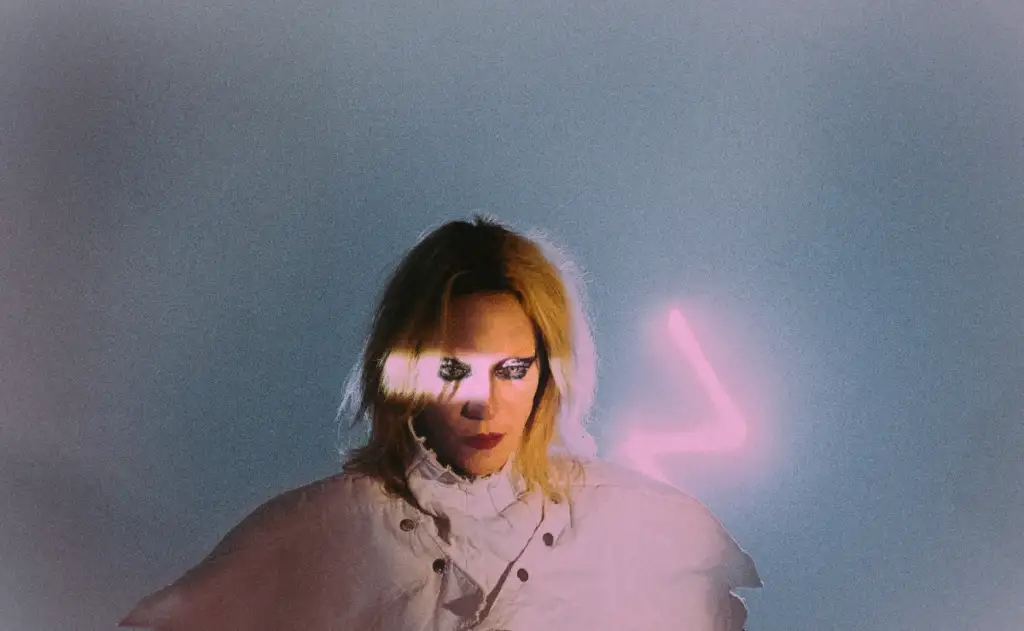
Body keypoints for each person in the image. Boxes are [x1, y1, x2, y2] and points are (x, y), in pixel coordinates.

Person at [119, 215, 762, 631]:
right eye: (453, 370)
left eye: (512, 369)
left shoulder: (647, 529)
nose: (483, 403)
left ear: (547, 373)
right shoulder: (320, 532)